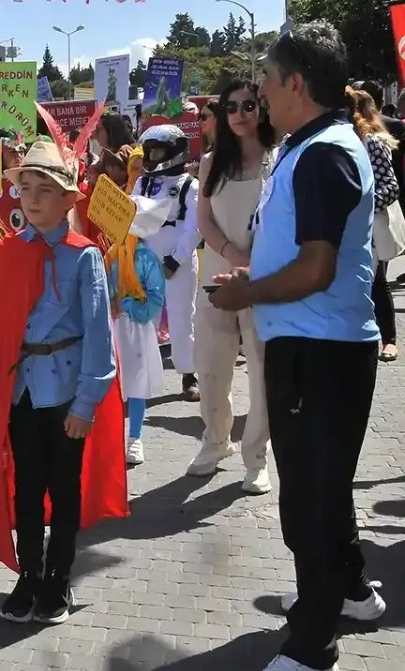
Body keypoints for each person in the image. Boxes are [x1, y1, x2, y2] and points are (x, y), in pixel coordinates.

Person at [210, 21, 385, 671]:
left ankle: (314, 643)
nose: (260, 90)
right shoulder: (309, 146)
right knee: (323, 486)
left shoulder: (326, 153)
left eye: (268, 78)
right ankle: (353, 590)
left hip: (321, 349)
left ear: (297, 84)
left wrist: (247, 293)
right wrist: (250, 280)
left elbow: (316, 267)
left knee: (309, 498)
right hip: (311, 343)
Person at [0, 140, 126, 626]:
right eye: (26, 188)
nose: (34, 198)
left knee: (64, 489)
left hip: (65, 394)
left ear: (69, 200)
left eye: (47, 189)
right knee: (25, 487)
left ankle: (59, 577)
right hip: (22, 391)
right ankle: (30, 574)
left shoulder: (84, 257)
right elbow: (3, 327)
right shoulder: (11, 250)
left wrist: (86, 403)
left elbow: (98, 335)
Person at [186, 81, 277, 494]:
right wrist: (230, 252)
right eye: (231, 106)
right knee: (210, 364)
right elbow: (204, 219)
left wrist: (253, 263)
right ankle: (215, 440)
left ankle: (256, 457)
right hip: (218, 273)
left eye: (248, 104)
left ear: (262, 108)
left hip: (264, 277)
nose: (240, 113)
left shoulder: (279, 159)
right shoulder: (211, 162)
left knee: (260, 369)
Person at [132, 125, 202, 401]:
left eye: (156, 151)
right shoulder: (143, 183)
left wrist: (176, 259)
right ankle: (147, 376)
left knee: (182, 317)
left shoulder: (189, 186)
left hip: (177, 259)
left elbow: (194, 227)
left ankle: (188, 373)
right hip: (147, 258)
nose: (150, 156)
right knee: (145, 320)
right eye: (148, 151)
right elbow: (133, 215)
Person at [104, 194, 167, 466]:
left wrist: (127, 305)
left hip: (137, 330)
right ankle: (111, 437)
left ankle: (135, 438)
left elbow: (155, 299)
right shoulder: (109, 256)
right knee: (113, 383)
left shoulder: (147, 259)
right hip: (112, 328)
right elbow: (101, 288)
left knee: (137, 383)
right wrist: (109, 304)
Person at [347, 87, 401, 363]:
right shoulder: (336, 143)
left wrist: (363, 210)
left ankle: (389, 339)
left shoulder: (372, 143)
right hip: (345, 229)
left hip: (370, 227)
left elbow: (390, 187)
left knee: (377, 281)